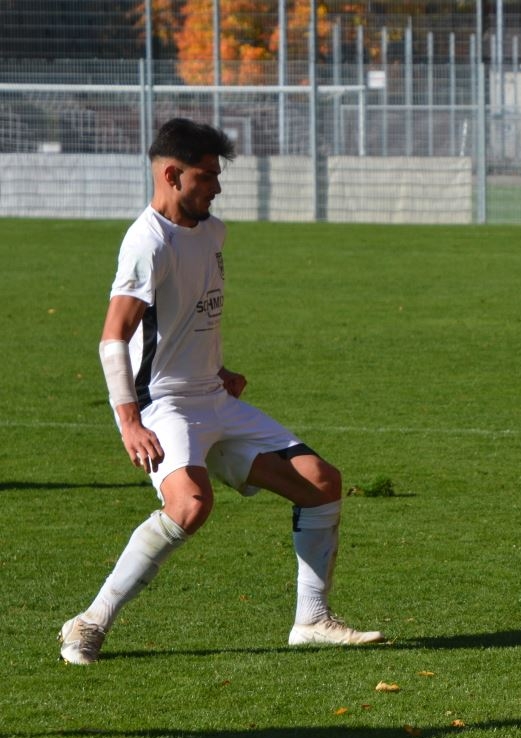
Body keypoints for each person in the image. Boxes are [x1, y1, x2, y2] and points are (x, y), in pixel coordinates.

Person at [60, 118, 384, 665]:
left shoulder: (212, 232)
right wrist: (130, 421)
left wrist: (220, 368)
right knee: (190, 506)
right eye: (206, 176)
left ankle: (312, 620)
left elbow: (186, 319)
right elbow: (114, 337)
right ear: (172, 175)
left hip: (213, 397)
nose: (216, 187)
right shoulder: (147, 242)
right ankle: (89, 622)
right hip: (163, 404)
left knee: (322, 483)